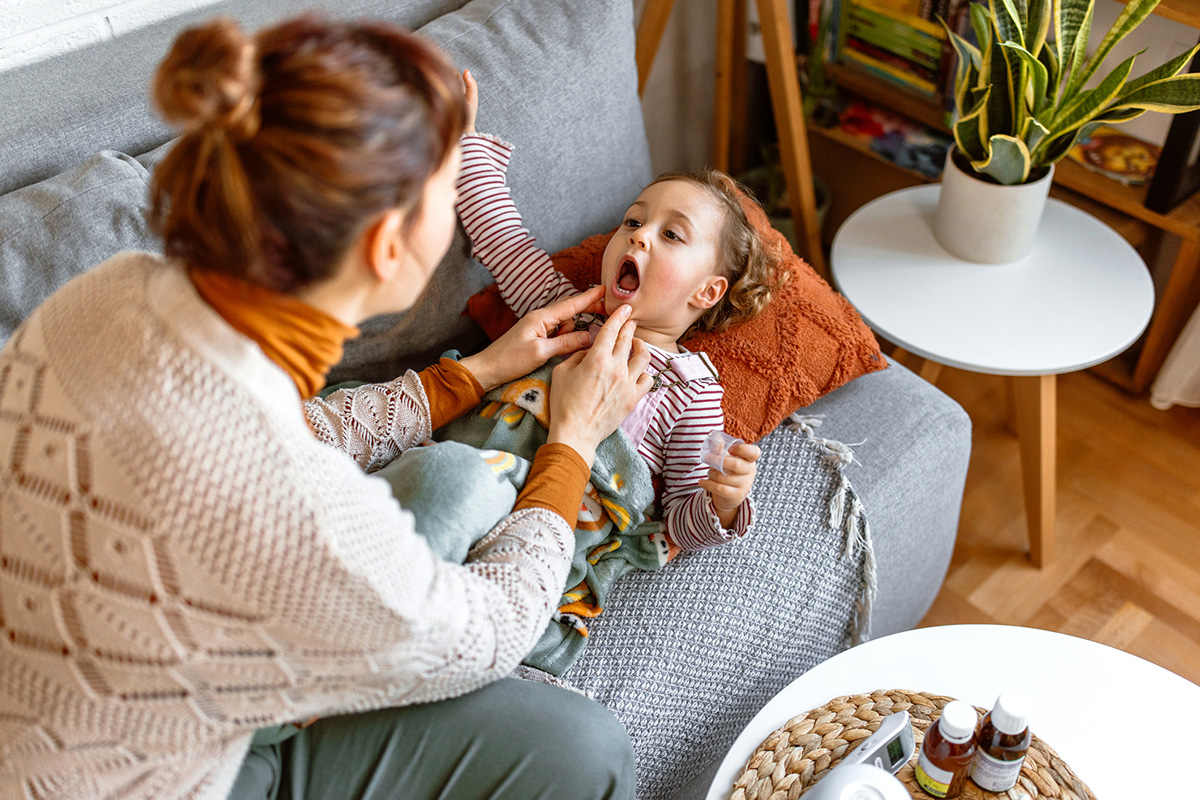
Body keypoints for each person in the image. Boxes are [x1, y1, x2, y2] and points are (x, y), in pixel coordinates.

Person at [0, 14, 649, 800]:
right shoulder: (303, 518)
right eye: (451, 189)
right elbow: (492, 628)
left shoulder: (115, 293)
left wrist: (475, 373)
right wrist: (573, 442)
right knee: (585, 749)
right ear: (386, 247)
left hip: (103, 695)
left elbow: (272, 432)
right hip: (159, 777)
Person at [455, 71, 770, 557]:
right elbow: (502, 237)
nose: (639, 235)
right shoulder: (563, 308)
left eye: (672, 235)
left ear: (707, 292)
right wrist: (464, 141)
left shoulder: (690, 394)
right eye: (634, 220)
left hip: (543, 533)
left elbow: (677, 524)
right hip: (468, 467)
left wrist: (723, 501)